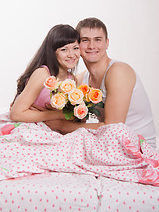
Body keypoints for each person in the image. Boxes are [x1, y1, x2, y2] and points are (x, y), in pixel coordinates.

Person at [45, 17, 156, 148]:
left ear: (107, 43)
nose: (92, 46)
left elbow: (112, 128)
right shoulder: (80, 80)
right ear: (76, 44)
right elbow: (63, 112)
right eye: (85, 40)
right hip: (108, 144)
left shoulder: (119, 72)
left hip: (138, 147)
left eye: (98, 40)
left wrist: (60, 125)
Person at [10, 24, 80, 123]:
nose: (72, 55)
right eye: (64, 49)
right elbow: (16, 114)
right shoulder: (43, 74)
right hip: (32, 126)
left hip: (53, 128)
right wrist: (57, 114)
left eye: (76, 48)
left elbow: (72, 117)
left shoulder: (72, 79)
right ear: (53, 52)